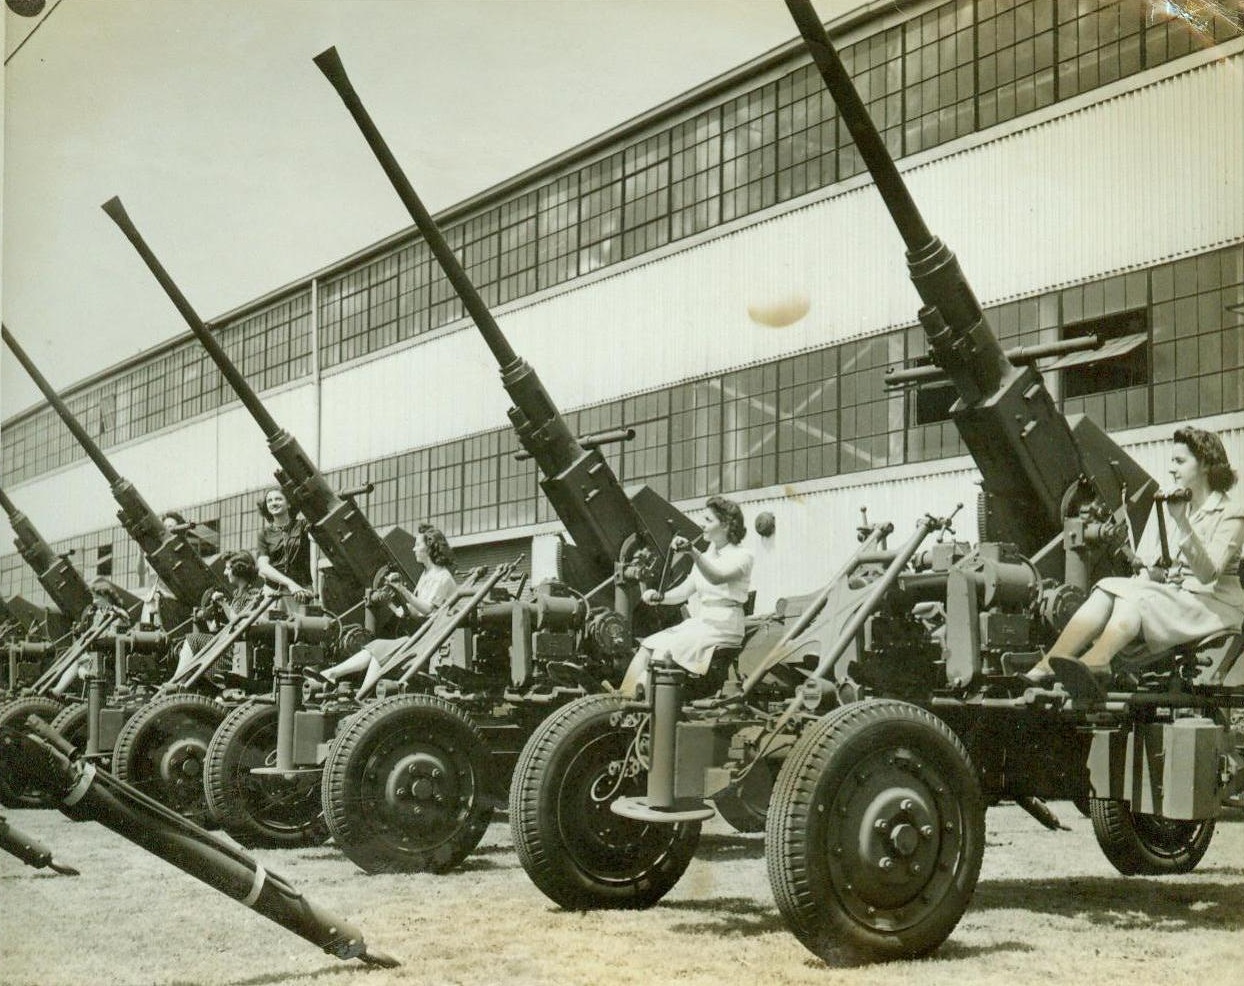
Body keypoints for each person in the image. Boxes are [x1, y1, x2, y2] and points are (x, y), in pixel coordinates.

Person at [1025, 426, 1244, 686]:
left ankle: (1098, 659)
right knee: (1108, 588)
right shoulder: (1171, 505)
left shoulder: (1231, 512)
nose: (1172, 468)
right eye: (1172, 461)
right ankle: (1050, 663)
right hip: (1175, 597)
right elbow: (1151, 566)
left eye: (1179, 461)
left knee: (1135, 597)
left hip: (1213, 606)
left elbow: (1208, 575)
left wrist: (1182, 523)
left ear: (1206, 464)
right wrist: (1149, 574)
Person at [619, 495, 753, 697]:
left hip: (725, 627)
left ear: (726, 525)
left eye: (708, 520)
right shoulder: (706, 557)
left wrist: (692, 551)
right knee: (647, 646)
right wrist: (660, 597)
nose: (702, 524)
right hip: (703, 623)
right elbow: (683, 592)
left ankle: (639, 699)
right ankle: (623, 696)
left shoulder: (742, 556)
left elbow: (718, 577)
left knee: (664, 652)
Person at [317, 523, 458, 686]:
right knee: (378, 646)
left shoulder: (442, 577)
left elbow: (426, 610)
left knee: (383, 651)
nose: (413, 549)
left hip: (434, 640)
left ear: (430, 548)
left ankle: (351, 685)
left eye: (417, 545)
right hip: (422, 635)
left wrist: (403, 590)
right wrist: (389, 600)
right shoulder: (427, 575)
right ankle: (334, 674)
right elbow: (407, 612)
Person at [171, 551, 265, 679]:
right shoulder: (238, 593)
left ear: (238, 571)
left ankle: (177, 682)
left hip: (236, 652)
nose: (225, 573)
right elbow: (234, 621)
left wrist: (223, 603)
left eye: (227, 569)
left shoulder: (253, 595)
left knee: (192, 640)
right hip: (229, 646)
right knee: (189, 643)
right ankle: (180, 681)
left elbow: (243, 625)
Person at [50, 578, 131, 698]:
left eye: (96, 597)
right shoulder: (98, 613)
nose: (94, 601)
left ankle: (63, 687)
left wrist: (97, 634)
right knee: (76, 659)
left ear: (105, 597)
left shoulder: (120, 614)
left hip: (112, 656)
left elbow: (117, 638)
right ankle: (60, 689)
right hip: (99, 652)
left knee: (79, 662)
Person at [254, 488, 314, 603]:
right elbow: (263, 567)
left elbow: (315, 540)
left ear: (289, 503)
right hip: (273, 593)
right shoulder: (264, 533)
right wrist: (290, 584)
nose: (274, 503)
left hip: (302, 591)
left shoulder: (303, 525)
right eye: (269, 501)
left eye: (278, 499)